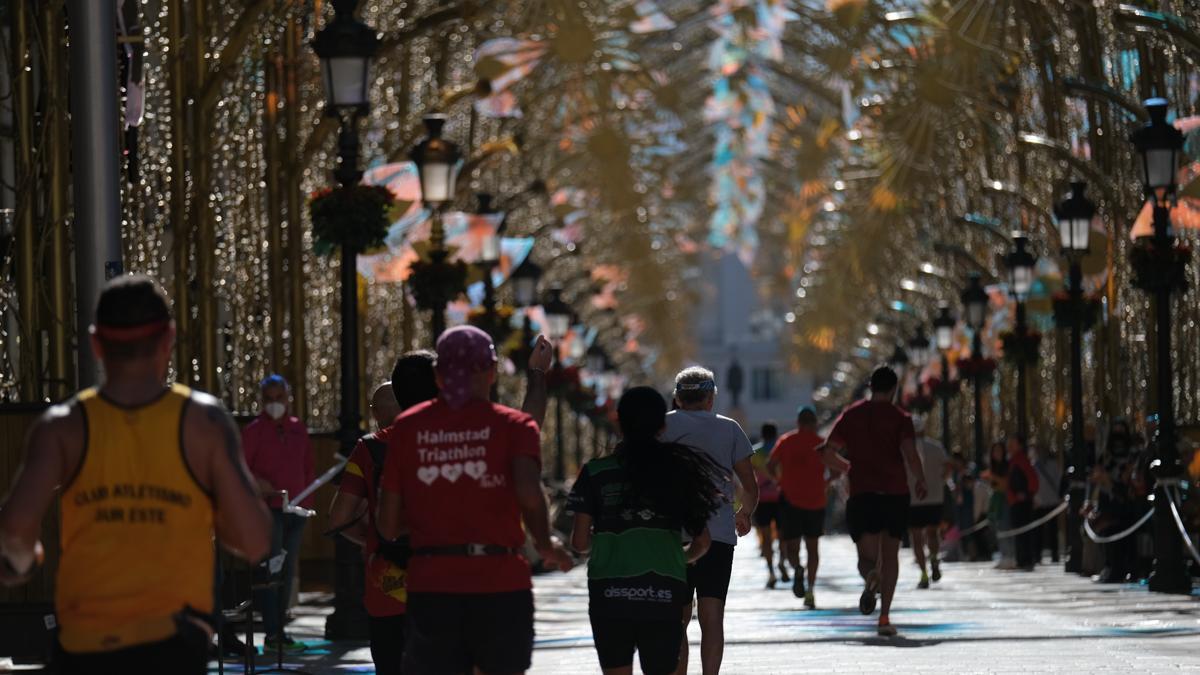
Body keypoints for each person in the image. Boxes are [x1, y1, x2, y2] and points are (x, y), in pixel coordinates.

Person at [0, 274, 271, 674]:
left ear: (95, 343)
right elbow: (255, 540)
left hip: (85, 645)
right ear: (169, 339)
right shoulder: (204, 422)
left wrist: (21, 562)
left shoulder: (61, 426)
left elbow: (14, 530)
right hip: (172, 645)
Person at [330, 337, 554, 674]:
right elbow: (526, 429)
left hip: (396, 589)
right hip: (480, 583)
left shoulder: (377, 446)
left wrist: (377, 541)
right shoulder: (473, 431)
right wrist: (536, 373)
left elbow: (342, 517)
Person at [569, 387, 723, 675]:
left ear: (618, 422)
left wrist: (611, 544)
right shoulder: (678, 470)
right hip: (663, 592)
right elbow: (702, 542)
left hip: (609, 593)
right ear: (662, 425)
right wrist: (676, 557)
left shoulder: (595, 472)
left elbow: (579, 542)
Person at [663, 366, 757, 675]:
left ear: (677, 398)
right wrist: (745, 513)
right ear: (710, 399)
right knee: (712, 616)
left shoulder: (661, 426)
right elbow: (750, 483)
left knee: (676, 618)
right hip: (718, 535)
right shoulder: (729, 429)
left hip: (672, 536)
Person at [819, 366, 925, 638]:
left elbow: (826, 453)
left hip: (863, 494)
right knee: (890, 556)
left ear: (871, 386)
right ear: (893, 389)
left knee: (866, 558)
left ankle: (870, 578)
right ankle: (885, 617)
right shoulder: (901, 417)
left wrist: (848, 468)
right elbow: (911, 455)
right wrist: (921, 479)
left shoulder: (851, 415)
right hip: (895, 493)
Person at [241, 374, 315, 649]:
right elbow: (241, 469)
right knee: (271, 570)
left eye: (279, 398)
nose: (275, 404)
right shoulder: (254, 431)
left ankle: (281, 630)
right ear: (262, 401)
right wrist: (257, 483)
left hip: (296, 510)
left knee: (286, 570)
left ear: (288, 398)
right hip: (268, 512)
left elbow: (308, 467)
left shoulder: (298, 428)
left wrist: (307, 503)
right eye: (269, 399)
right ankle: (272, 632)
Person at [767, 406, 830, 608]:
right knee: (813, 548)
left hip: (790, 501)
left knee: (792, 548)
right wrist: (827, 482)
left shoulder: (786, 441)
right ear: (814, 423)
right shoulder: (822, 444)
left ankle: (797, 569)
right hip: (816, 500)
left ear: (798, 423)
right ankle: (810, 590)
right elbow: (835, 467)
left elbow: (770, 464)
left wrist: (778, 480)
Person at [907, 417, 948, 589]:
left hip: (912, 498)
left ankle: (923, 574)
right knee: (933, 532)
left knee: (916, 538)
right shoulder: (936, 447)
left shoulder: (904, 450)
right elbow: (948, 465)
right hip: (934, 496)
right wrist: (941, 480)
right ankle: (934, 559)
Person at [749, 421, 788, 588]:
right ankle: (782, 563)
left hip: (762, 499)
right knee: (783, 535)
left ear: (762, 434)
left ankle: (771, 572)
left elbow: (748, 477)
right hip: (781, 497)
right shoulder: (782, 449)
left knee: (765, 538)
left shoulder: (754, 452)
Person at [1006, 435, 1039, 571]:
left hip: (1022, 502)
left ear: (1019, 445)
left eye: (1013, 443)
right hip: (1015, 501)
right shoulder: (1013, 460)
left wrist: (1027, 494)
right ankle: (1022, 559)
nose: (1010, 446)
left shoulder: (1021, 460)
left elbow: (1033, 480)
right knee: (1020, 532)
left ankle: (1025, 559)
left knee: (1024, 531)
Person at [1030, 442, 1062, 564]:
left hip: (1052, 501)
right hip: (1039, 502)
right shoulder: (1033, 465)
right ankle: (1037, 555)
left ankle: (1055, 554)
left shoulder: (1053, 464)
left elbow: (1058, 480)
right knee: (1037, 530)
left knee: (1053, 530)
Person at [986, 442, 1015, 569]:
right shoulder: (994, 467)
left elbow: (1005, 485)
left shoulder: (1007, 465)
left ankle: (1009, 557)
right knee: (998, 527)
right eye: (994, 451)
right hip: (996, 501)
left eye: (999, 450)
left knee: (1005, 527)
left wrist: (993, 478)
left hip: (1006, 500)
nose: (997, 453)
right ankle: (1004, 556)